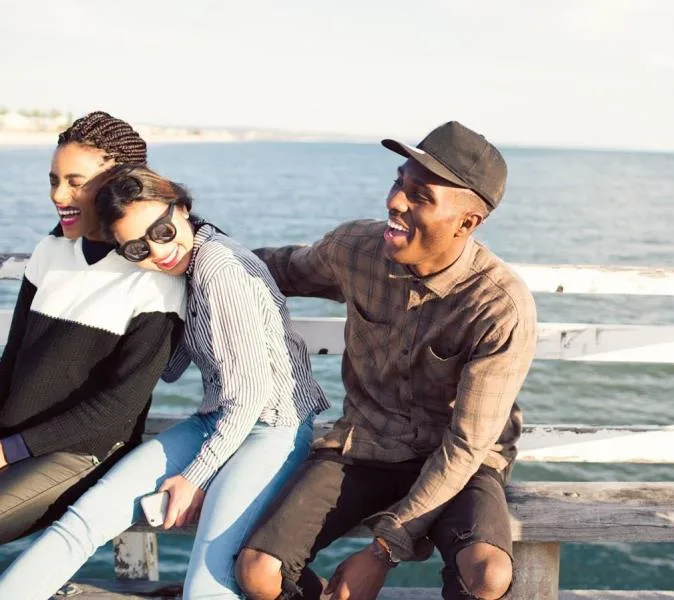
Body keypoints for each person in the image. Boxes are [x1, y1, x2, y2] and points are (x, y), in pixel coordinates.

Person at [236, 121, 538, 600]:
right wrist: (186, 250)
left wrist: (382, 551)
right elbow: (280, 267)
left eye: (420, 195)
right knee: (258, 572)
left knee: (487, 575)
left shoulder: (499, 304)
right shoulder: (356, 249)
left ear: (466, 222)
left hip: (460, 461)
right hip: (366, 444)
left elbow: (465, 446)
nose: (395, 201)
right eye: (400, 181)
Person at [0, 165, 330, 599]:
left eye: (162, 229)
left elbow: (249, 397)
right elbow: (172, 367)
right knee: (80, 523)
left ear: (183, 207)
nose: (159, 250)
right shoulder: (178, 271)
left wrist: (195, 477)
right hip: (215, 421)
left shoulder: (219, 268)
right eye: (137, 248)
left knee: (206, 586)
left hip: (271, 427)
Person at [0, 112, 185, 544]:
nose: (58, 195)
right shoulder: (51, 249)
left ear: (120, 183)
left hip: (83, 452)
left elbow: (118, 407)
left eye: (75, 182)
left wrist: (9, 451)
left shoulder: (155, 276)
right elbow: (12, 359)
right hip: (15, 438)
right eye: (54, 180)